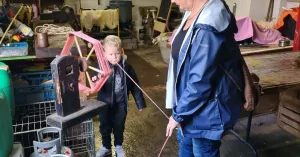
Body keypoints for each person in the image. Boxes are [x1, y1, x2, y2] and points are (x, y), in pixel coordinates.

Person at [165, 0, 245, 157]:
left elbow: (200, 81)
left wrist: (178, 114)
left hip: (206, 114)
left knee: (202, 150)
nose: (172, 1)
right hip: (189, 108)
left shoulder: (208, 24)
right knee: (185, 148)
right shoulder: (192, 14)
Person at [93, 35, 146, 157]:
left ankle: (118, 146)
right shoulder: (101, 67)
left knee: (119, 126)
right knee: (104, 125)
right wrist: (96, 79)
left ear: (121, 51)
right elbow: (95, 80)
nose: (114, 57)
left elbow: (135, 86)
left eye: (116, 53)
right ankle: (106, 146)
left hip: (121, 104)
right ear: (104, 54)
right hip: (104, 104)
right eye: (110, 54)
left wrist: (140, 103)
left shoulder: (127, 68)